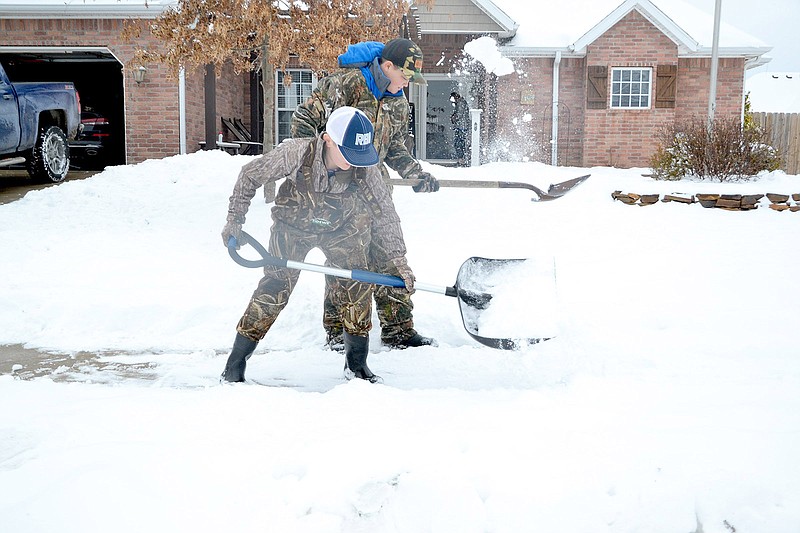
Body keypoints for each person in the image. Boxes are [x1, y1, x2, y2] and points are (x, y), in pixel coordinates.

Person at [220, 107, 415, 384]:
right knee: (275, 287)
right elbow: (250, 175)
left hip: (342, 228)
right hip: (293, 225)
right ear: (328, 139)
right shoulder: (296, 153)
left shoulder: (365, 168)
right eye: (347, 152)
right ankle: (235, 363)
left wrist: (399, 261)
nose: (354, 161)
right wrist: (234, 221)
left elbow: (384, 212)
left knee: (357, 287)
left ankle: (356, 365)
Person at [291, 37, 439, 351]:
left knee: (390, 256)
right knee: (345, 262)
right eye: (406, 76)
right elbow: (304, 120)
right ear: (388, 66)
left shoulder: (398, 101)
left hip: (375, 188)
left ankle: (398, 330)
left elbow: (395, 147)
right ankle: (338, 333)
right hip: (338, 190)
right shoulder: (344, 85)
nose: (408, 83)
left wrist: (415, 173)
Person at [450, 92, 469, 164]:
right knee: (460, 143)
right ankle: (462, 159)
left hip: (461, 127)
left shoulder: (461, 103)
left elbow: (459, 114)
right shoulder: (461, 103)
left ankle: (461, 159)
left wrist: (453, 118)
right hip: (461, 126)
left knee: (458, 143)